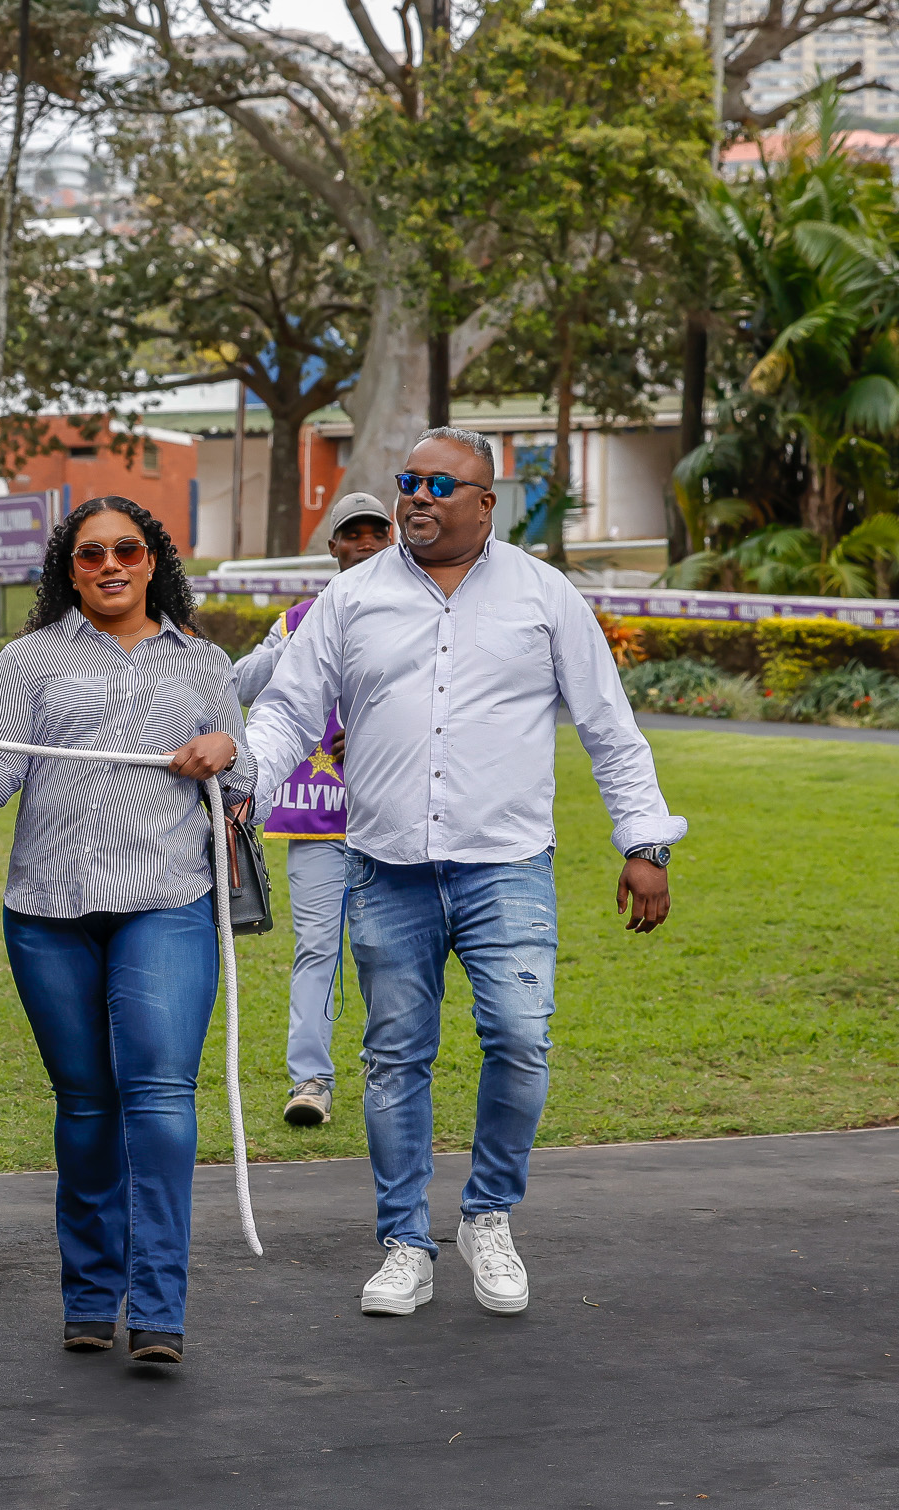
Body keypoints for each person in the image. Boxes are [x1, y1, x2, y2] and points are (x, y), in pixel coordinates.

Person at [245, 427, 684, 1321]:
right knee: (395, 1058)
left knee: (521, 1040)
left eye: (441, 485)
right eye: (408, 480)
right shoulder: (353, 599)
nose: (417, 496)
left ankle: (488, 1216)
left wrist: (645, 843)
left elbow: (609, 726)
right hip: (385, 866)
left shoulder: (543, 596)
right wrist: (242, 788)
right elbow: (288, 711)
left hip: (507, 868)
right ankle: (406, 1242)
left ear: (489, 503)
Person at [0, 496, 257, 1366]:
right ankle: (92, 1298)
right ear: (70, 566)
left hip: (166, 902)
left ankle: (160, 1312)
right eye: (91, 552)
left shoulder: (203, 662)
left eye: (127, 550)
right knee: (88, 1108)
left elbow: (251, 790)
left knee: (161, 1102)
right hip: (48, 913)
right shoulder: (28, 661)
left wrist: (230, 755)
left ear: (151, 560)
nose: (110, 565)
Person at [231, 492, 395, 1128]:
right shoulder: (298, 618)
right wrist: (296, 639)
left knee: (388, 953)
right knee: (317, 948)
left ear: (393, 540)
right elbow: (241, 685)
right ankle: (311, 1081)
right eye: (351, 535)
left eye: (376, 533)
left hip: (399, 817)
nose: (364, 545)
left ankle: (389, 1072)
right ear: (333, 547)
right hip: (321, 815)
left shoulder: (420, 611)